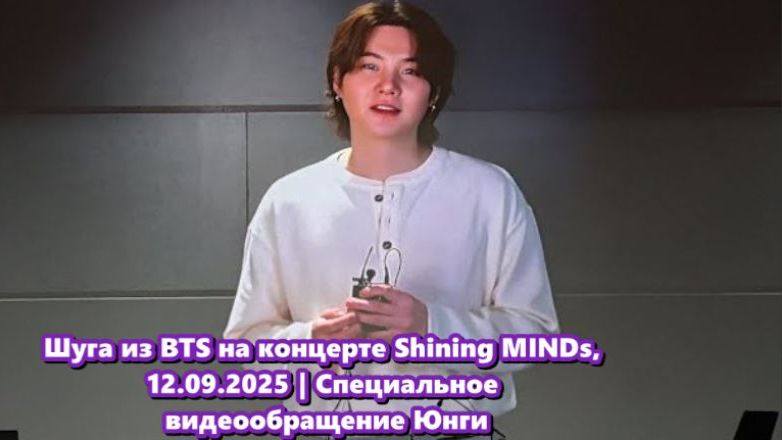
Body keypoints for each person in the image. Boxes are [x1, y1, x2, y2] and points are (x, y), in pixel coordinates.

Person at [223, 0, 559, 418]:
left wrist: (432, 328)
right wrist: (310, 341)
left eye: (411, 71)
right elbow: (246, 344)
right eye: (369, 66)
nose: (389, 86)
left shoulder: (490, 192)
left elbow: (537, 334)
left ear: (433, 92)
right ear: (338, 80)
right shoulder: (288, 199)